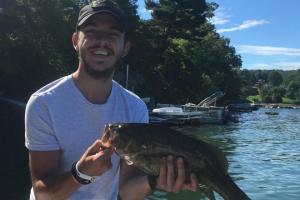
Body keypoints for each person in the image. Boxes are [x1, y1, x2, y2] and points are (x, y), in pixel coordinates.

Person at [25, 0, 198, 199]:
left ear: (125, 47)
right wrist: (81, 173)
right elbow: (42, 193)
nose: (102, 41)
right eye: (91, 31)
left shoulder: (134, 107)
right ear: (75, 41)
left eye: (113, 35)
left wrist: (156, 181)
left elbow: (126, 191)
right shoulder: (43, 103)